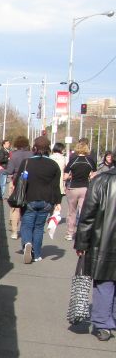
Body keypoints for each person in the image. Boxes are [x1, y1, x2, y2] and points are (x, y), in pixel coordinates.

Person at [74, 162, 116, 340]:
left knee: (104, 283)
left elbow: (88, 215)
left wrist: (82, 243)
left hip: (103, 243)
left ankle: (103, 324)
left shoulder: (100, 181)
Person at [18, 136, 62, 264]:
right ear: (48, 149)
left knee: (26, 225)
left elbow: (17, 181)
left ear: (34, 148)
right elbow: (56, 186)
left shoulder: (26, 163)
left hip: (29, 199)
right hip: (47, 201)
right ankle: (37, 254)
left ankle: (27, 243)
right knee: (38, 227)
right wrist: (58, 202)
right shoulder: (53, 165)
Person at [64, 139, 96, 241]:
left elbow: (65, 176)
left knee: (71, 212)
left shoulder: (73, 160)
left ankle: (70, 233)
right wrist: (88, 176)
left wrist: (71, 176)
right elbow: (94, 175)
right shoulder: (89, 160)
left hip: (73, 187)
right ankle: (83, 234)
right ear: (87, 149)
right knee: (83, 212)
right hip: (85, 188)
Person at [5, 135, 33, 239]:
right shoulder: (32, 155)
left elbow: (9, 171)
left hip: (16, 182)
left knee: (15, 208)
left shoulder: (14, 155)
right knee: (27, 208)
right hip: (30, 183)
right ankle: (26, 230)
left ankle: (14, 232)